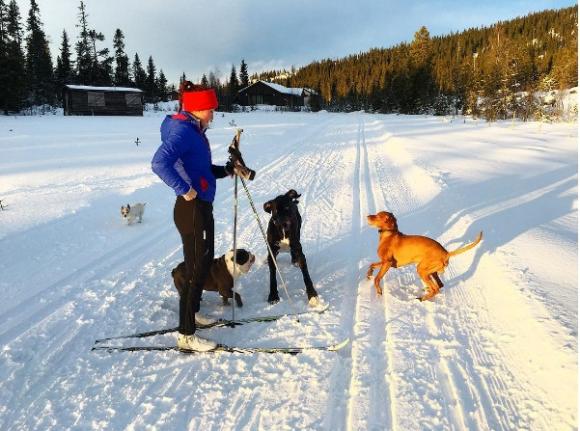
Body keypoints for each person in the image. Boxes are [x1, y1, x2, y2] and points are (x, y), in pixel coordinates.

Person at [151, 81, 250, 351]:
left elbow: (203, 169)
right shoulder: (183, 132)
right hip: (191, 210)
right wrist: (184, 189)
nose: (213, 115)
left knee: (203, 264)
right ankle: (186, 335)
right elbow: (159, 163)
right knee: (196, 272)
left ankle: (191, 314)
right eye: (210, 110)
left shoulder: (194, 130)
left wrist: (229, 170)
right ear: (197, 109)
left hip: (201, 207)